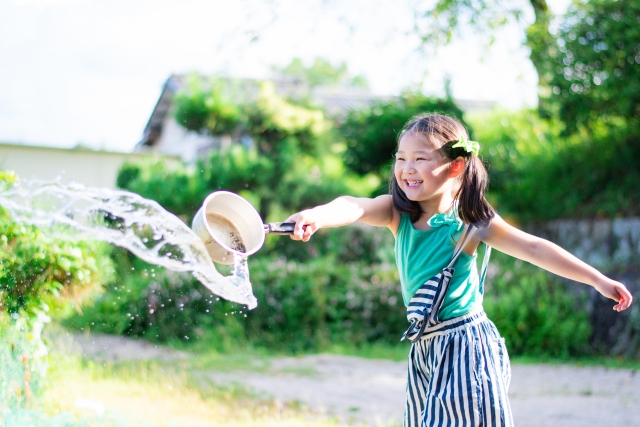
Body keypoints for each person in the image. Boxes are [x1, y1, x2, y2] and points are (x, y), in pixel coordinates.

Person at [285, 113, 633, 427]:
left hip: (465, 344)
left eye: (420, 158)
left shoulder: (471, 223)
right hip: (426, 346)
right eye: (401, 158)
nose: (407, 168)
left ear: (455, 167)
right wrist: (316, 216)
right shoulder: (397, 213)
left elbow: (533, 247)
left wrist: (597, 279)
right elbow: (354, 206)